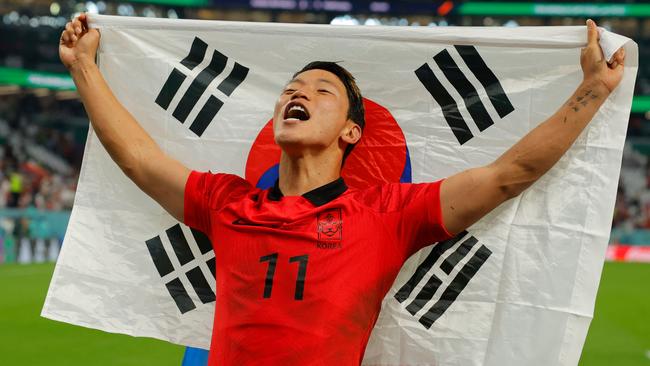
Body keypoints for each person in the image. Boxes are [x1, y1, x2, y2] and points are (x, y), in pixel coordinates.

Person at [60, 14, 625, 365]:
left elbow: (508, 175)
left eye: (320, 89)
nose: (294, 94)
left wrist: (592, 92)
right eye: (289, 88)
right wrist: (84, 67)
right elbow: (137, 159)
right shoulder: (227, 202)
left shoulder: (387, 214)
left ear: (353, 131)